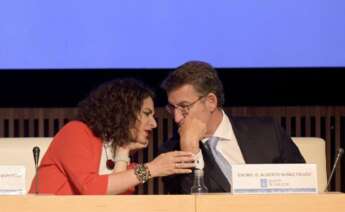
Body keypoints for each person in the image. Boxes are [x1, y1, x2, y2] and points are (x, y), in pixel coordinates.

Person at [159, 61, 305, 194]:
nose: (177, 117)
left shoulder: (268, 132)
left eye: (184, 107)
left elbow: (304, 184)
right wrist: (190, 150)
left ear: (211, 101)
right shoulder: (171, 153)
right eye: (172, 108)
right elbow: (189, 206)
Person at [29, 78, 195, 195]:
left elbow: (115, 205)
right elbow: (91, 188)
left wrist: (123, 155)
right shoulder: (76, 132)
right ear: (124, 113)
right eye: (146, 114)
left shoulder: (127, 162)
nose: (154, 124)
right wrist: (152, 169)